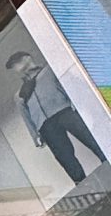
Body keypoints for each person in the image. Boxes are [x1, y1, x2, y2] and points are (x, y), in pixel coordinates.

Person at [12, 50, 104, 187]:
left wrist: (78, 104)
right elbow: (26, 115)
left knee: (89, 137)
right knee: (64, 156)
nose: (15, 68)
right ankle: (82, 184)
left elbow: (68, 85)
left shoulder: (49, 70)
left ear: (27, 58)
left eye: (16, 63)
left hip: (63, 110)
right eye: (13, 66)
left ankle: (106, 157)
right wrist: (35, 135)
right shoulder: (20, 94)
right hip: (45, 125)